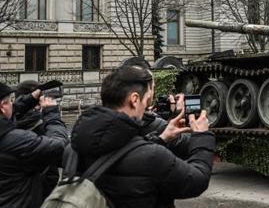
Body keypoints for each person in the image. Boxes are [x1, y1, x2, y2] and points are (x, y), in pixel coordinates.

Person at [70, 65, 215, 207]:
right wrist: (202, 136)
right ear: (134, 100)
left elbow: (127, 153)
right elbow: (196, 181)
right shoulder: (153, 157)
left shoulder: (72, 148)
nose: (146, 107)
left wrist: (162, 138)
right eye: (146, 100)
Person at [0, 81, 68, 208]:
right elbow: (59, 145)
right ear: (3, 106)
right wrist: (52, 113)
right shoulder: (18, 140)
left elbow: (11, 111)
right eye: (10, 101)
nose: (12, 105)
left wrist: (31, 98)